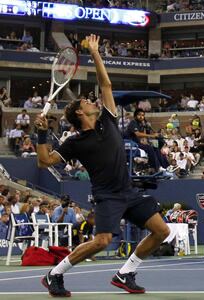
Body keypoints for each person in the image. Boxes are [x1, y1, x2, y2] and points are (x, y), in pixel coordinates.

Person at [35, 35, 170, 297]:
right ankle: (54, 274)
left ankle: (126, 273)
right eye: (87, 102)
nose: (92, 101)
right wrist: (41, 135)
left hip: (128, 191)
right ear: (79, 113)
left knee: (161, 231)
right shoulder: (74, 142)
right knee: (102, 241)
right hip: (107, 195)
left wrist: (96, 53)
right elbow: (44, 161)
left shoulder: (107, 120)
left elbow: (105, 83)